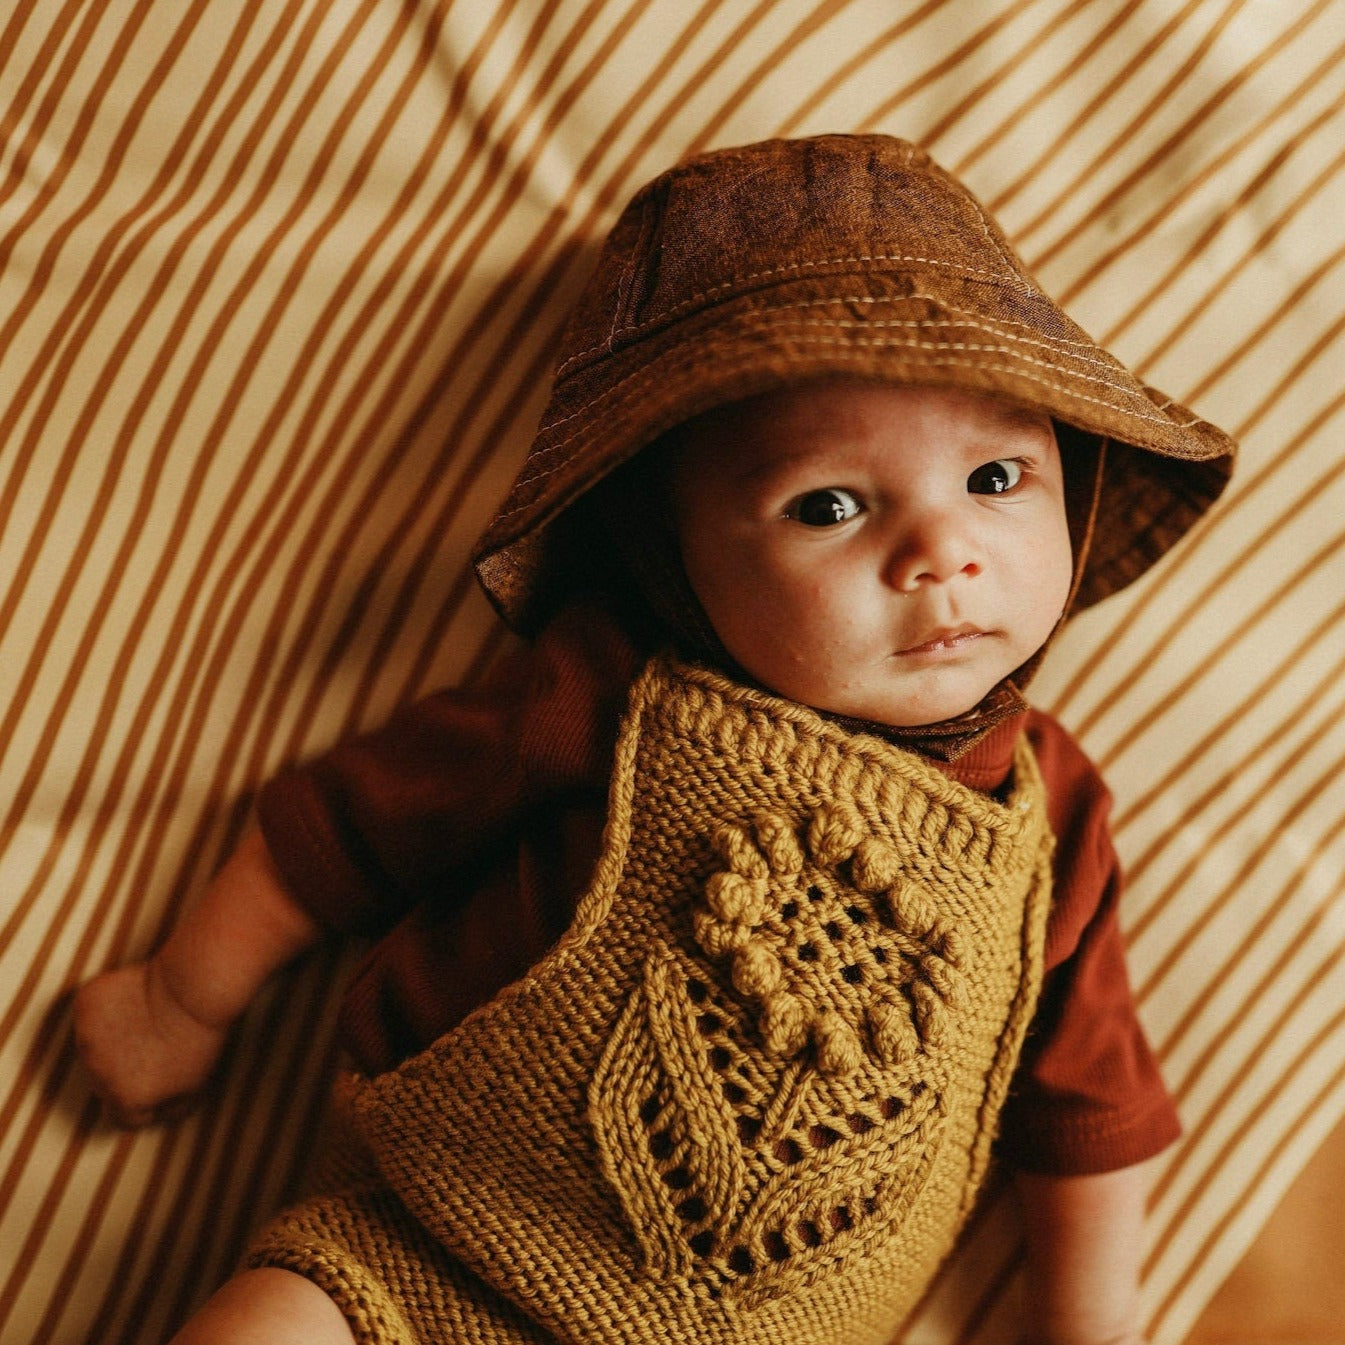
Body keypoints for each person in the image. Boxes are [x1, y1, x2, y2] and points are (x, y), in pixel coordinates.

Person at [73, 134, 1236, 1345]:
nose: (940, 551)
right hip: (434, 1254)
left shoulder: (1051, 814)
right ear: (668, 553)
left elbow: (1088, 1102)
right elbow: (349, 828)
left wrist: (1086, 1320)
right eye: (829, 505)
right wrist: (182, 997)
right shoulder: (605, 693)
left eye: (997, 477)